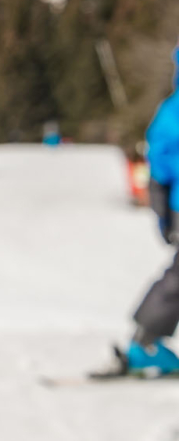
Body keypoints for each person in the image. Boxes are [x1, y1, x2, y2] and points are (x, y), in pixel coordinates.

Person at [111, 42, 179, 376]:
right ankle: (145, 342)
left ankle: (146, 340)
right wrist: (165, 214)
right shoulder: (174, 113)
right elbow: (160, 170)